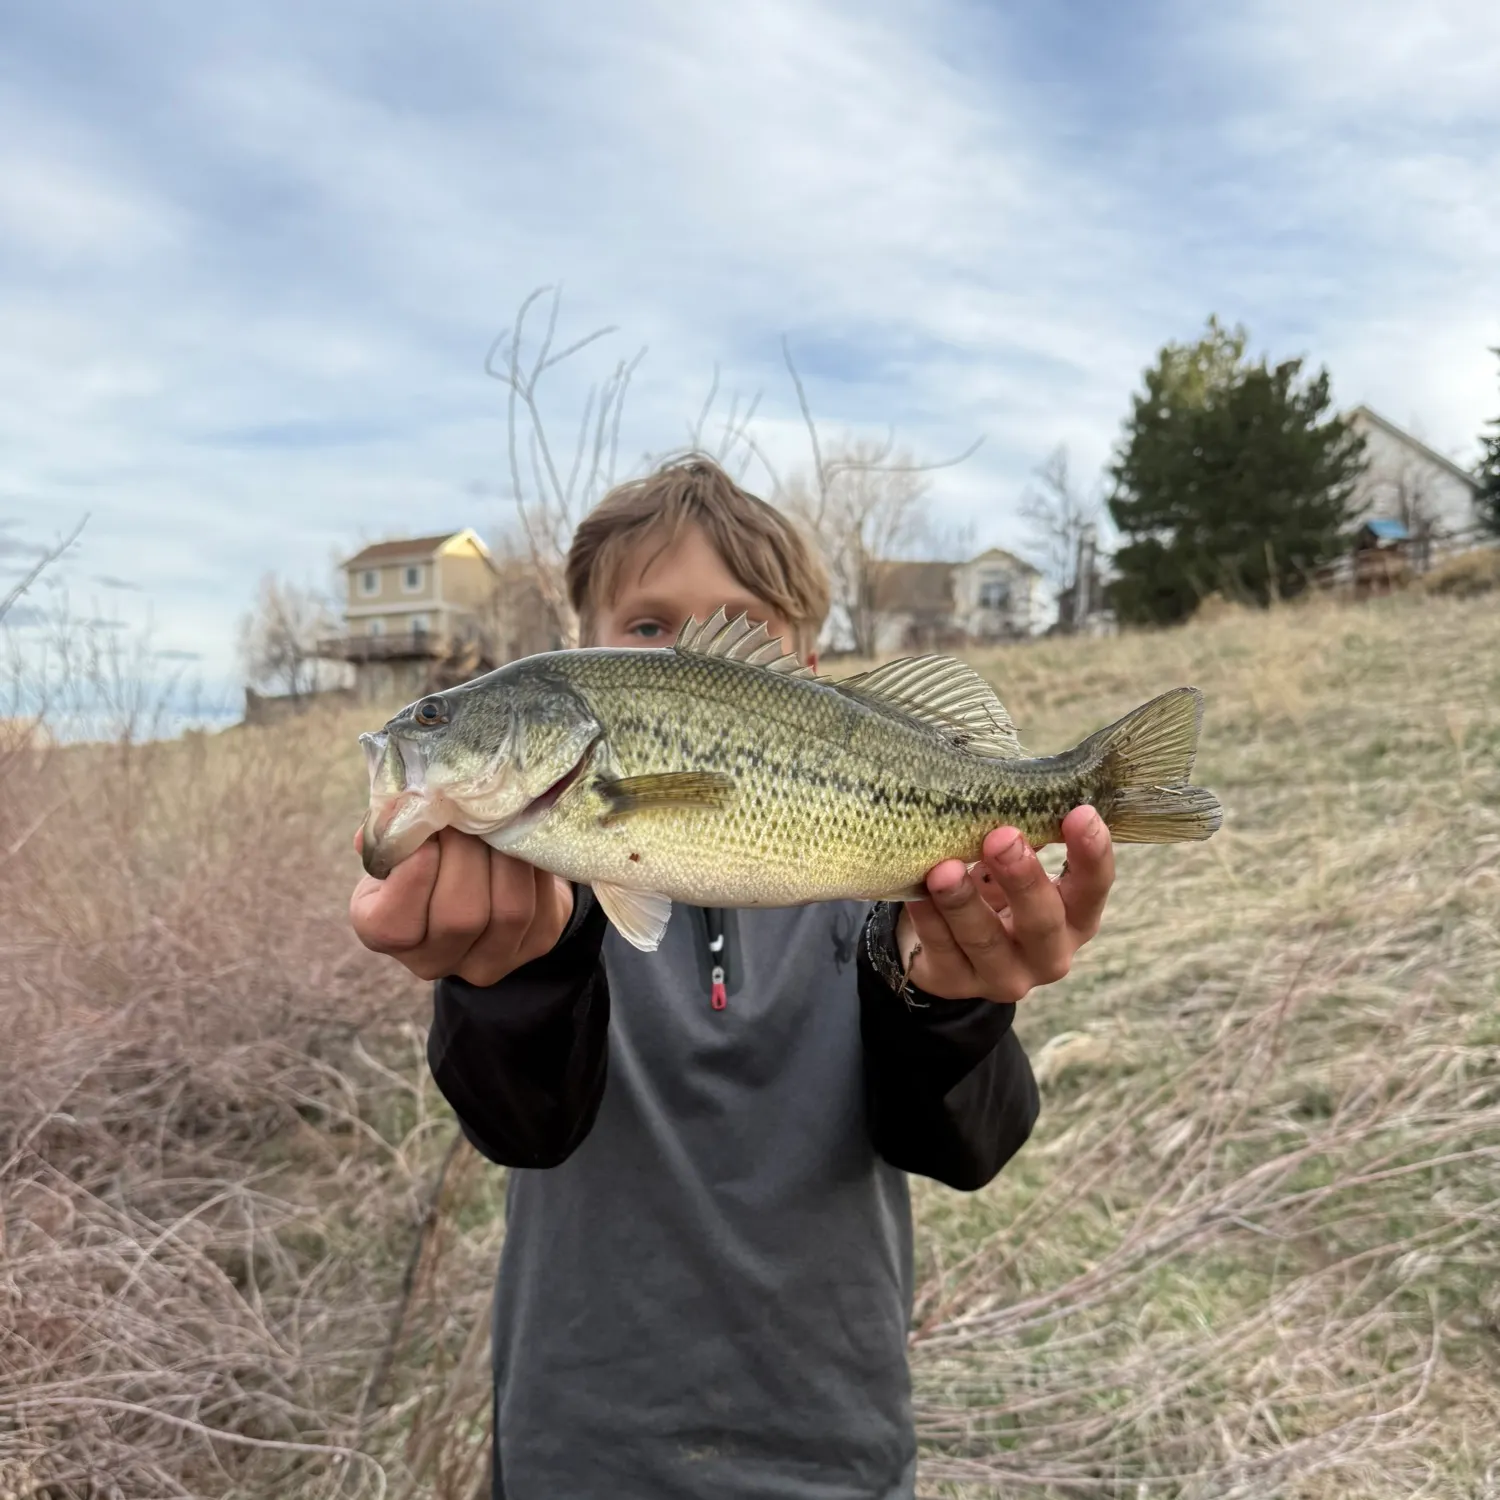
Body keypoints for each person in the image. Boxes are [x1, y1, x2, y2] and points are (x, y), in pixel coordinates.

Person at [349, 456, 1116, 1500]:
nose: (680, 653)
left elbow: (967, 1144)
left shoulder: (888, 911)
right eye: (646, 626)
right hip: (579, 1451)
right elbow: (521, 1125)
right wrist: (507, 988)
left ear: (804, 659)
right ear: (579, 654)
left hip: (835, 1449)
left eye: (742, 623)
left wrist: (953, 1006)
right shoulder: (542, 903)